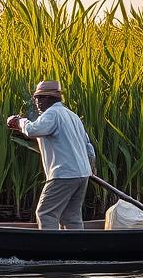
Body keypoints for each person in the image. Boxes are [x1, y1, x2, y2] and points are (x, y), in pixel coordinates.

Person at [7, 80, 96, 230]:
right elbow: (89, 148)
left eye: (40, 98)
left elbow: (33, 130)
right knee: (71, 217)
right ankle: (77, 248)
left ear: (50, 98)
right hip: (82, 174)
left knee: (45, 213)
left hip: (63, 174)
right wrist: (91, 168)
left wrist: (19, 121)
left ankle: (51, 250)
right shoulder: (72, 116)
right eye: (36, 98)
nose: (37, 102)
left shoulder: (52, 114)